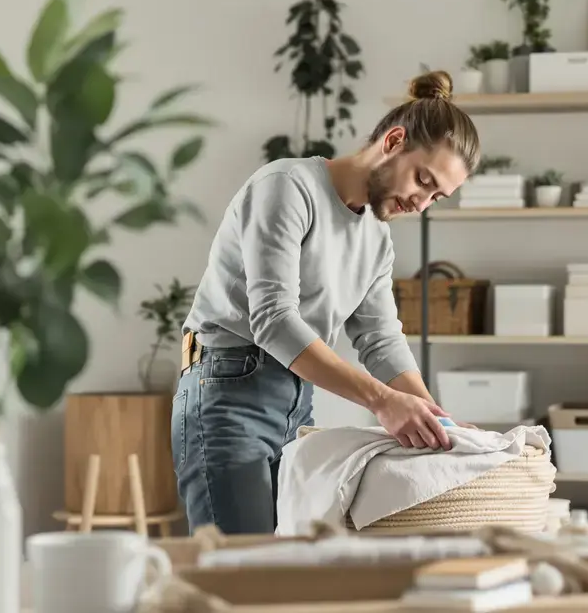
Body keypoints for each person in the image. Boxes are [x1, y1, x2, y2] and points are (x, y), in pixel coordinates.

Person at [172, 70, 482, 534]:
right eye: (423, 180)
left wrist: (438, 422)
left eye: (437, 195)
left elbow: (379, 338)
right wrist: (383, 401)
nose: (422, 203)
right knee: (243, 576)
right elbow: (274, 321)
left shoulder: (376, 238)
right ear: (394, 141)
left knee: (291, 572)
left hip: (297, 403)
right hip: (226, 390)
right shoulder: (287, 187)